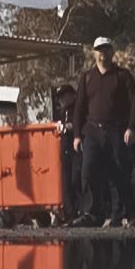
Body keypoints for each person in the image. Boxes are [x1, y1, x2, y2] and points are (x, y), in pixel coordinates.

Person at [72, 37, 135, 227]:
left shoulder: (122, 76)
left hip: (115, 131)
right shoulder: (87, 77)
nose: (103, 54)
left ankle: (121, 215)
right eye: (100, 50)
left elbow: (134, 104)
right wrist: (77, 135)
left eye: (107, 49)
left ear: (112, 52)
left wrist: (131, 127)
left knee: (118, 173)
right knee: (88, 171)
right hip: (92, 131)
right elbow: (79, 108)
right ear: (94, 53)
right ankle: (91, 213)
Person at [51, 84, 81, 223]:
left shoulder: (77, 109)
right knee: (65, 182)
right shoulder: (63, 111)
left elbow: (78, 124)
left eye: (63, 96)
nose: (61, 100)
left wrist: (70, 127)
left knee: (75, 179)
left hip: (75, 149)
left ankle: (78, 210)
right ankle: (69, 213)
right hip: (65, 149)